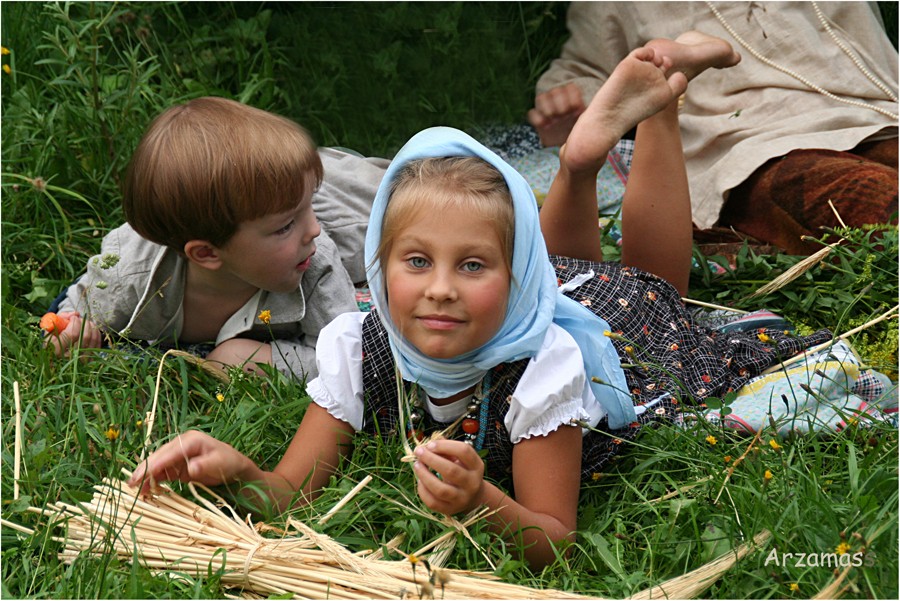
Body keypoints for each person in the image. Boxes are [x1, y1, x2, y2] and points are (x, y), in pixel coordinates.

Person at [129, 39, 830, 568]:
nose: (438, 287)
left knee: (658, 298)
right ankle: (580, 163)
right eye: (414, 261)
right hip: (540, 278)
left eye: (470, 264)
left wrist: (482, 501)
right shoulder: (358, 344)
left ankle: (660, 113)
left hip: (608, 326)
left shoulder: (545, 370)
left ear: (511, 277)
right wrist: (238, 473)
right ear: (379, 262)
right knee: (558, 263)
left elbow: (555, 538)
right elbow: (288, 495)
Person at [47, 97, 388, 379]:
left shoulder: (317, 255)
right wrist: (69, 336)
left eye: (305, 211)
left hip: (353, 201)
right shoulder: (129, 276)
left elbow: (350, 360)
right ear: (207, 253)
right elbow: (72, 315)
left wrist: (255, 358)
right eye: (285, 226)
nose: (312, 230)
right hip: (293, 192)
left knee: (419, 197)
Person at [528, 1, 899, 255]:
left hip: (881, 117)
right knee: (875, 202)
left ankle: (672, 78)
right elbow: (584, 75)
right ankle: (669, 84)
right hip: (754, 149)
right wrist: (569, 105)